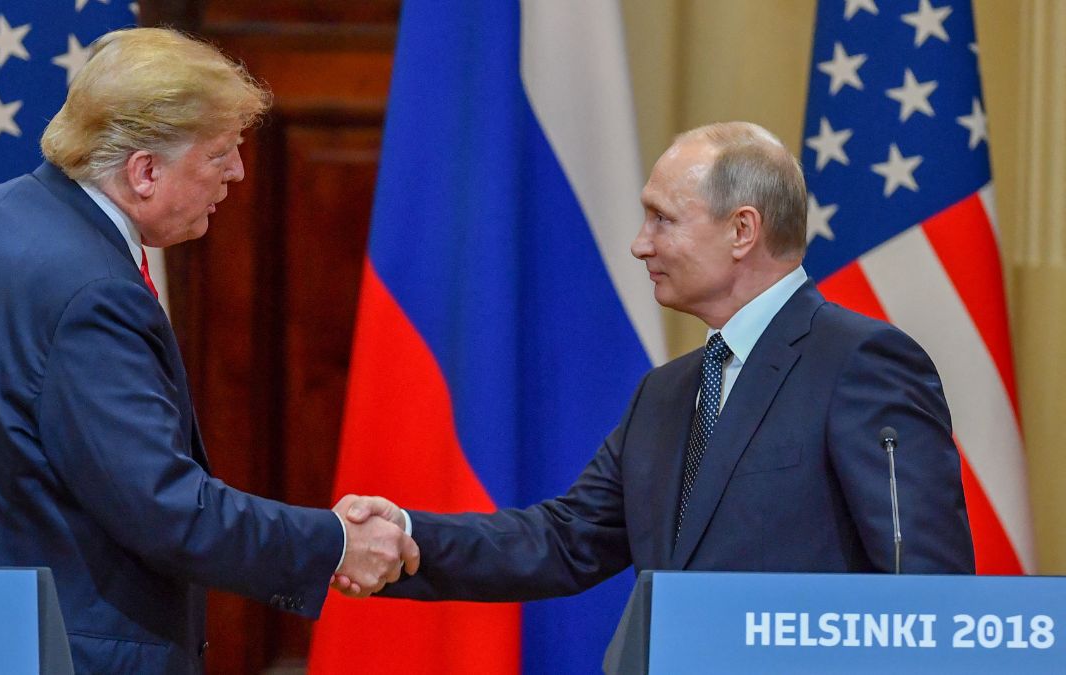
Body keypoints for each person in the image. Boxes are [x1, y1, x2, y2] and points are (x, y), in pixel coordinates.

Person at [0, 27, 416, 673]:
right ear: (145, 170)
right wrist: (334, 543)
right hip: (59, 652)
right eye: (220, 153)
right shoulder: (92, 289)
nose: (237, 172)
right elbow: (167, 511)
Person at [335, 121, 973, 603]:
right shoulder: (666, 393)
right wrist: (407, 536)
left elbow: (928, 592)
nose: (641, 245)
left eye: (662, 219)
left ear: (742, 230)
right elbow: (563, 541)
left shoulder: (860, 362)